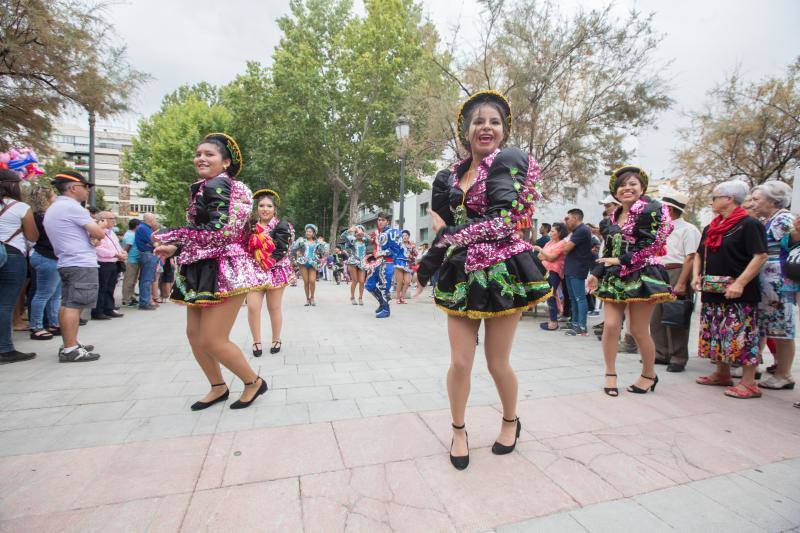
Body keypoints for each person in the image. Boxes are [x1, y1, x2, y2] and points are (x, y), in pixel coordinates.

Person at [415, 90, 550, 470]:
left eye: (494, 121)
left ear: (503, 132)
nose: (486, 127)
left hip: (503, 271)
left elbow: (501, 219)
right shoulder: (448, 177)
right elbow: (445, 223)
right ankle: (458, 429)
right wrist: (434, 262)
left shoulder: (508, 162)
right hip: (461, 274)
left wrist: (431, 259)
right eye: (478, 121)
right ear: (466, 130)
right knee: (460, 362)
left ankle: (511, 420)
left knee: (496, 363)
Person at [154, 133, 269, 410]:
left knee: (212, 339)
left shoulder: (226, 185)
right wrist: (176, 248)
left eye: (209, 154)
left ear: (226, 162)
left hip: (224, 269)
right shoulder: (205, 187)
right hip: (200, 266)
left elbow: (222, 232)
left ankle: (253, 382)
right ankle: (218, 387)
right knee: (195, 336)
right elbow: (203, 235)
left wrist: (174, 235)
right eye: (198, 154)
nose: (201, 158)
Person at [587, 166, 674, 396]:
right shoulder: (610, 219)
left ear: (642, 187)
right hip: (616, 275)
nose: (627, 188)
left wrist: (620, 259)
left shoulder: (653, 210)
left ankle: (648, 374)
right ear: (615, 192)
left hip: (643, 273)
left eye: (632, 184)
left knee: (637, 329)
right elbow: (607, 249)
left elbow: (651, 245)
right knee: (612, 325)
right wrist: (596, 271)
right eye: (622, 185)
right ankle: (610, 373)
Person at [692, 180, 768, 398]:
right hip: (713, 289)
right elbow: (699, 253)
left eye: (715, 197)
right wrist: (696, 275)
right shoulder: (712, 226)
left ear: (729, 198)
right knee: (716, 333)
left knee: (742, 334)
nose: (712, 201)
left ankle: (748, 383)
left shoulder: (749, 224)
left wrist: (740, 282)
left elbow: (760, 255)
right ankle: (722, 373)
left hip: (738, 292)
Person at [44, 171, 105, 362]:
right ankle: (71, 348)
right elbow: (98, 233)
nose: (87, 191)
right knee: (75, 305)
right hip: (80, 263)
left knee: (68, 303)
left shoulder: (55, 207)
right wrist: (97, 225)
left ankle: (70, 343)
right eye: (85, 187)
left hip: (67, 261)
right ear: (73, 188)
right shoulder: (73, 208)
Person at [750, 181, 798, 390]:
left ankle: (784, 373)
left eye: (757, 199)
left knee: (783, 330)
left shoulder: (782, 219)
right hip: (767, 281)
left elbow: (791, 243)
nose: (753, 203)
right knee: (768, 328)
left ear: (772, 200)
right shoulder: (768, 220)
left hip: (779, 282)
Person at [648, 193, 701, 373]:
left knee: (675, 316)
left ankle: (678, 357)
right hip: (658, 271)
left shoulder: (689, 229)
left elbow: (691, 257)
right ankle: (660, 352)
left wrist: (681, 282)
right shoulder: (660, 228)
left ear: (669, 209)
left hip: (677, 271)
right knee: (656, 317)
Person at [245, 188, 294, 357]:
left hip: (276, 270)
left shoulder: (283, 226)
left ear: (275, 209)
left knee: (274, 307)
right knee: (252, 307)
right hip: (254, 272)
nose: (265, 209)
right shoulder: (249, 227)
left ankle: (276, 338)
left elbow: (284, 249)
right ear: (257, 208)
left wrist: (269, 260)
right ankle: (256, 341)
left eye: (269, 206)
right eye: (261, 205)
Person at [0, 170, 39, 363]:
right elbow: (33, 236)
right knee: (6, 304)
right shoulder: (20, 207)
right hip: (12, 255)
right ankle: (5, 349)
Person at [27, 185, 61, 341]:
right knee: (43, 294)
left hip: (51, 257)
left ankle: (53, 323)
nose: (56, 198)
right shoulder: (41, 217)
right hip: (46, 256)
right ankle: (36, 327)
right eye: (54, 196)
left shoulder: (41, 216)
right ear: (47, 199)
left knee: (54, 295)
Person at [561, 208, 594, 336]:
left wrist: (567, 243)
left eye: (567, 218)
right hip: (571, 268)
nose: (566, 221)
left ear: (575, 218)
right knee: (573, 298)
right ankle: (575, 324)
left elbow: (566, 249)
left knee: (580, 298)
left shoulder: (582, 230)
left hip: (577, 268)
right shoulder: (576, 231)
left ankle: (582, 326)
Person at [365, 212, 403, 318]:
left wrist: (381, 253)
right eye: (379, 220)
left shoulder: (393, 232)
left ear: (387, 221)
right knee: (369, 285)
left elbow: (396, 249)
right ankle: (382, 303)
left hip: (387, 263)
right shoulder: (379, 233)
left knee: (384, 287)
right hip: (378, 263)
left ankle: (386, 310)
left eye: (382, 220)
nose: (380, 222)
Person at [533, 222, 569, 331]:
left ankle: (553, 322)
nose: (551, 232)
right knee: (548, 295)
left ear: (560, 233)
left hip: (554, 272)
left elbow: (552, 258)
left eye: (553, 231)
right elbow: (540, 257)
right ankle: (552, 319)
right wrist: (545, 255)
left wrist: (540, 250)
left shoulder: (563, 243)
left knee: (550, 295)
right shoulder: (550, 242)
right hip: (545, 271)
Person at [91, 211, 126, 320]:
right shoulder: (98, 232)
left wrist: (122, 252)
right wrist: (115, 254)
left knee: (110, 287)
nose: (113, 220)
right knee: (102, 287)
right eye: (111, 218)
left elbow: (116, 245)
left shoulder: (111, 232)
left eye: (114, 218)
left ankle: (109, 308)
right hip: (103, 262)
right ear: (102, 220)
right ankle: (98, 310)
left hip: (113, 262)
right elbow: (98, 248)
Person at [292, 225, 325, 306]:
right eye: (307, 231)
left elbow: (323, 252)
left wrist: (321, 245)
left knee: (312, 281)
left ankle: (312, 297)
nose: (308, 233)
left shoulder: (317, 242)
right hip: (303, 263)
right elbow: (294, 248)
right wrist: (296, 254)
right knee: (306, 282)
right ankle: (307, 299)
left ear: (313, 233)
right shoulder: (301, 240)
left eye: (310, 231)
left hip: (313, 263)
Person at [135, 213, 159, 310]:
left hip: (147, 254)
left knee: (147, 279)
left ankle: (146, 301)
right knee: (147, 279)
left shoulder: (144, 228)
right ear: (151, 220)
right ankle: (144, 302)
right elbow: (155, 243)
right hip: (147, 254)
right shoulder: (144, 228)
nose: (155, 221)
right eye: (155, 219)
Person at [341, 225, 368, 305]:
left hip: (362, 262)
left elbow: (372, 238)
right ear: (355, 233)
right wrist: (349, 230)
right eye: (357, 232)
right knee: (355, 281)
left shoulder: (365, 240)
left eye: (361, 232)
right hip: (353, 262)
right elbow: (342, 236)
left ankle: (360, 298)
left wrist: (363, 233)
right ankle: (352, 297)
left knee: (362, 281)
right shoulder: (352, 240)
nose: (359, 234)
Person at [121, 219, 141, 306]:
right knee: (129, 280)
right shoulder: (131, 235)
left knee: (132, 280)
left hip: (133, 260)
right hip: (131, 260)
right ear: (136, 226)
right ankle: (126, 299)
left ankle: (131, 296)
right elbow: (127, 247)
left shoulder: (130, 233)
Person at [395, 230, 416, 304]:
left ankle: (402, 297)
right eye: (403, 235)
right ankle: (398, 298)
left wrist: (413, 252)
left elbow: (415, 255)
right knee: (399, 282)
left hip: (407, 264)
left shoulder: (411, 245)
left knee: (407, 282)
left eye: (406, 235)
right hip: (399, 263)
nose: (404, 237)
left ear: (408, 236)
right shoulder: (399, 244)